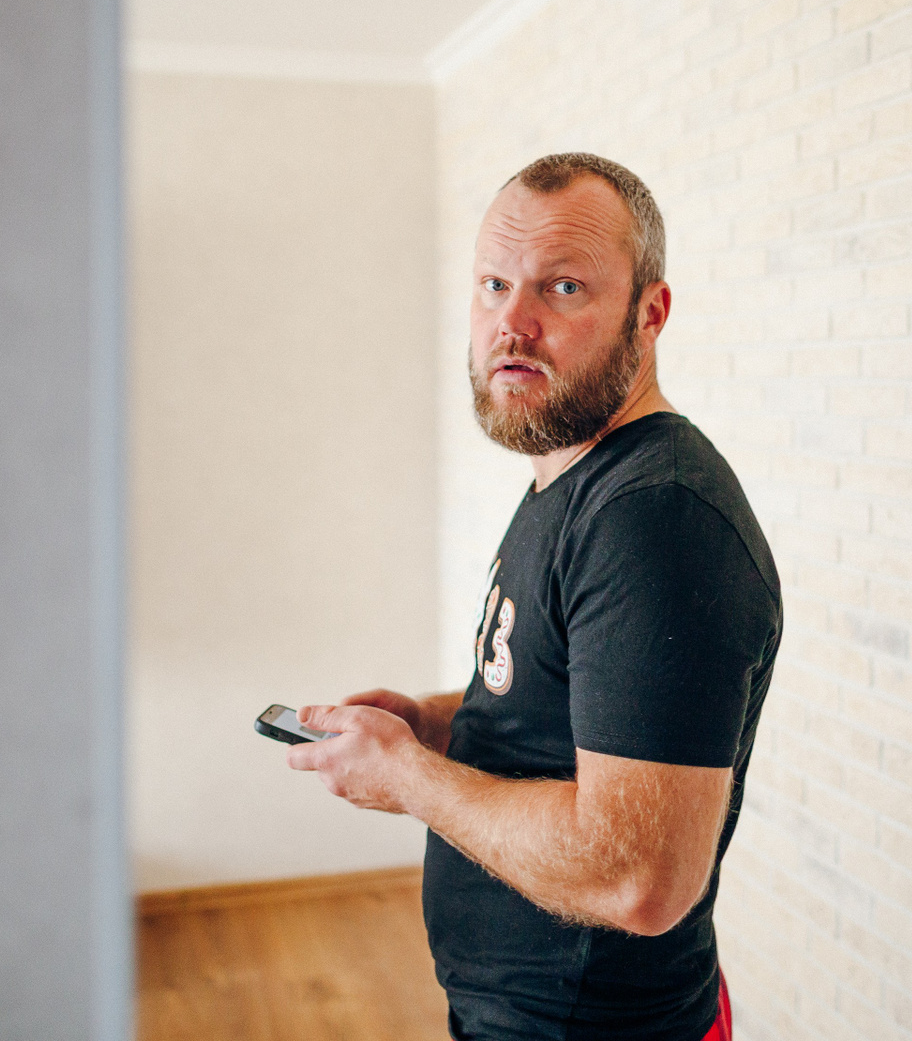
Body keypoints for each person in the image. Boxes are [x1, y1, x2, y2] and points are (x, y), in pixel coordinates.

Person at [288, 152, 782, 1041]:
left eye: (561, 287)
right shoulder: (572, 475)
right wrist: (437, 724)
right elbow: (567, 699)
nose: (511, 323)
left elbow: (639, 879)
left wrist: (408, 777)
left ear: (650, 314)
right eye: (493, 285)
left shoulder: (654, 518)